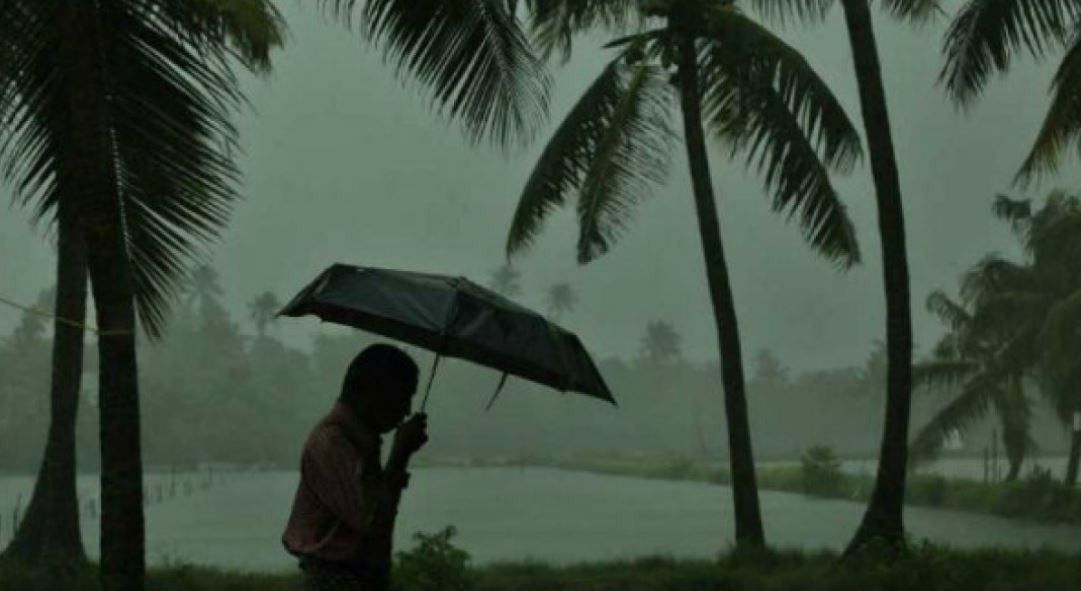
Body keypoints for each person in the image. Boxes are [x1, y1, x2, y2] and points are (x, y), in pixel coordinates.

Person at [283, 344, 429, 591]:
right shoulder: (332, 443)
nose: (406, 411)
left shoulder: (361, 443)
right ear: (372, 394)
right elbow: (373, 522)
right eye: (402, 397)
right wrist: (400, 455)